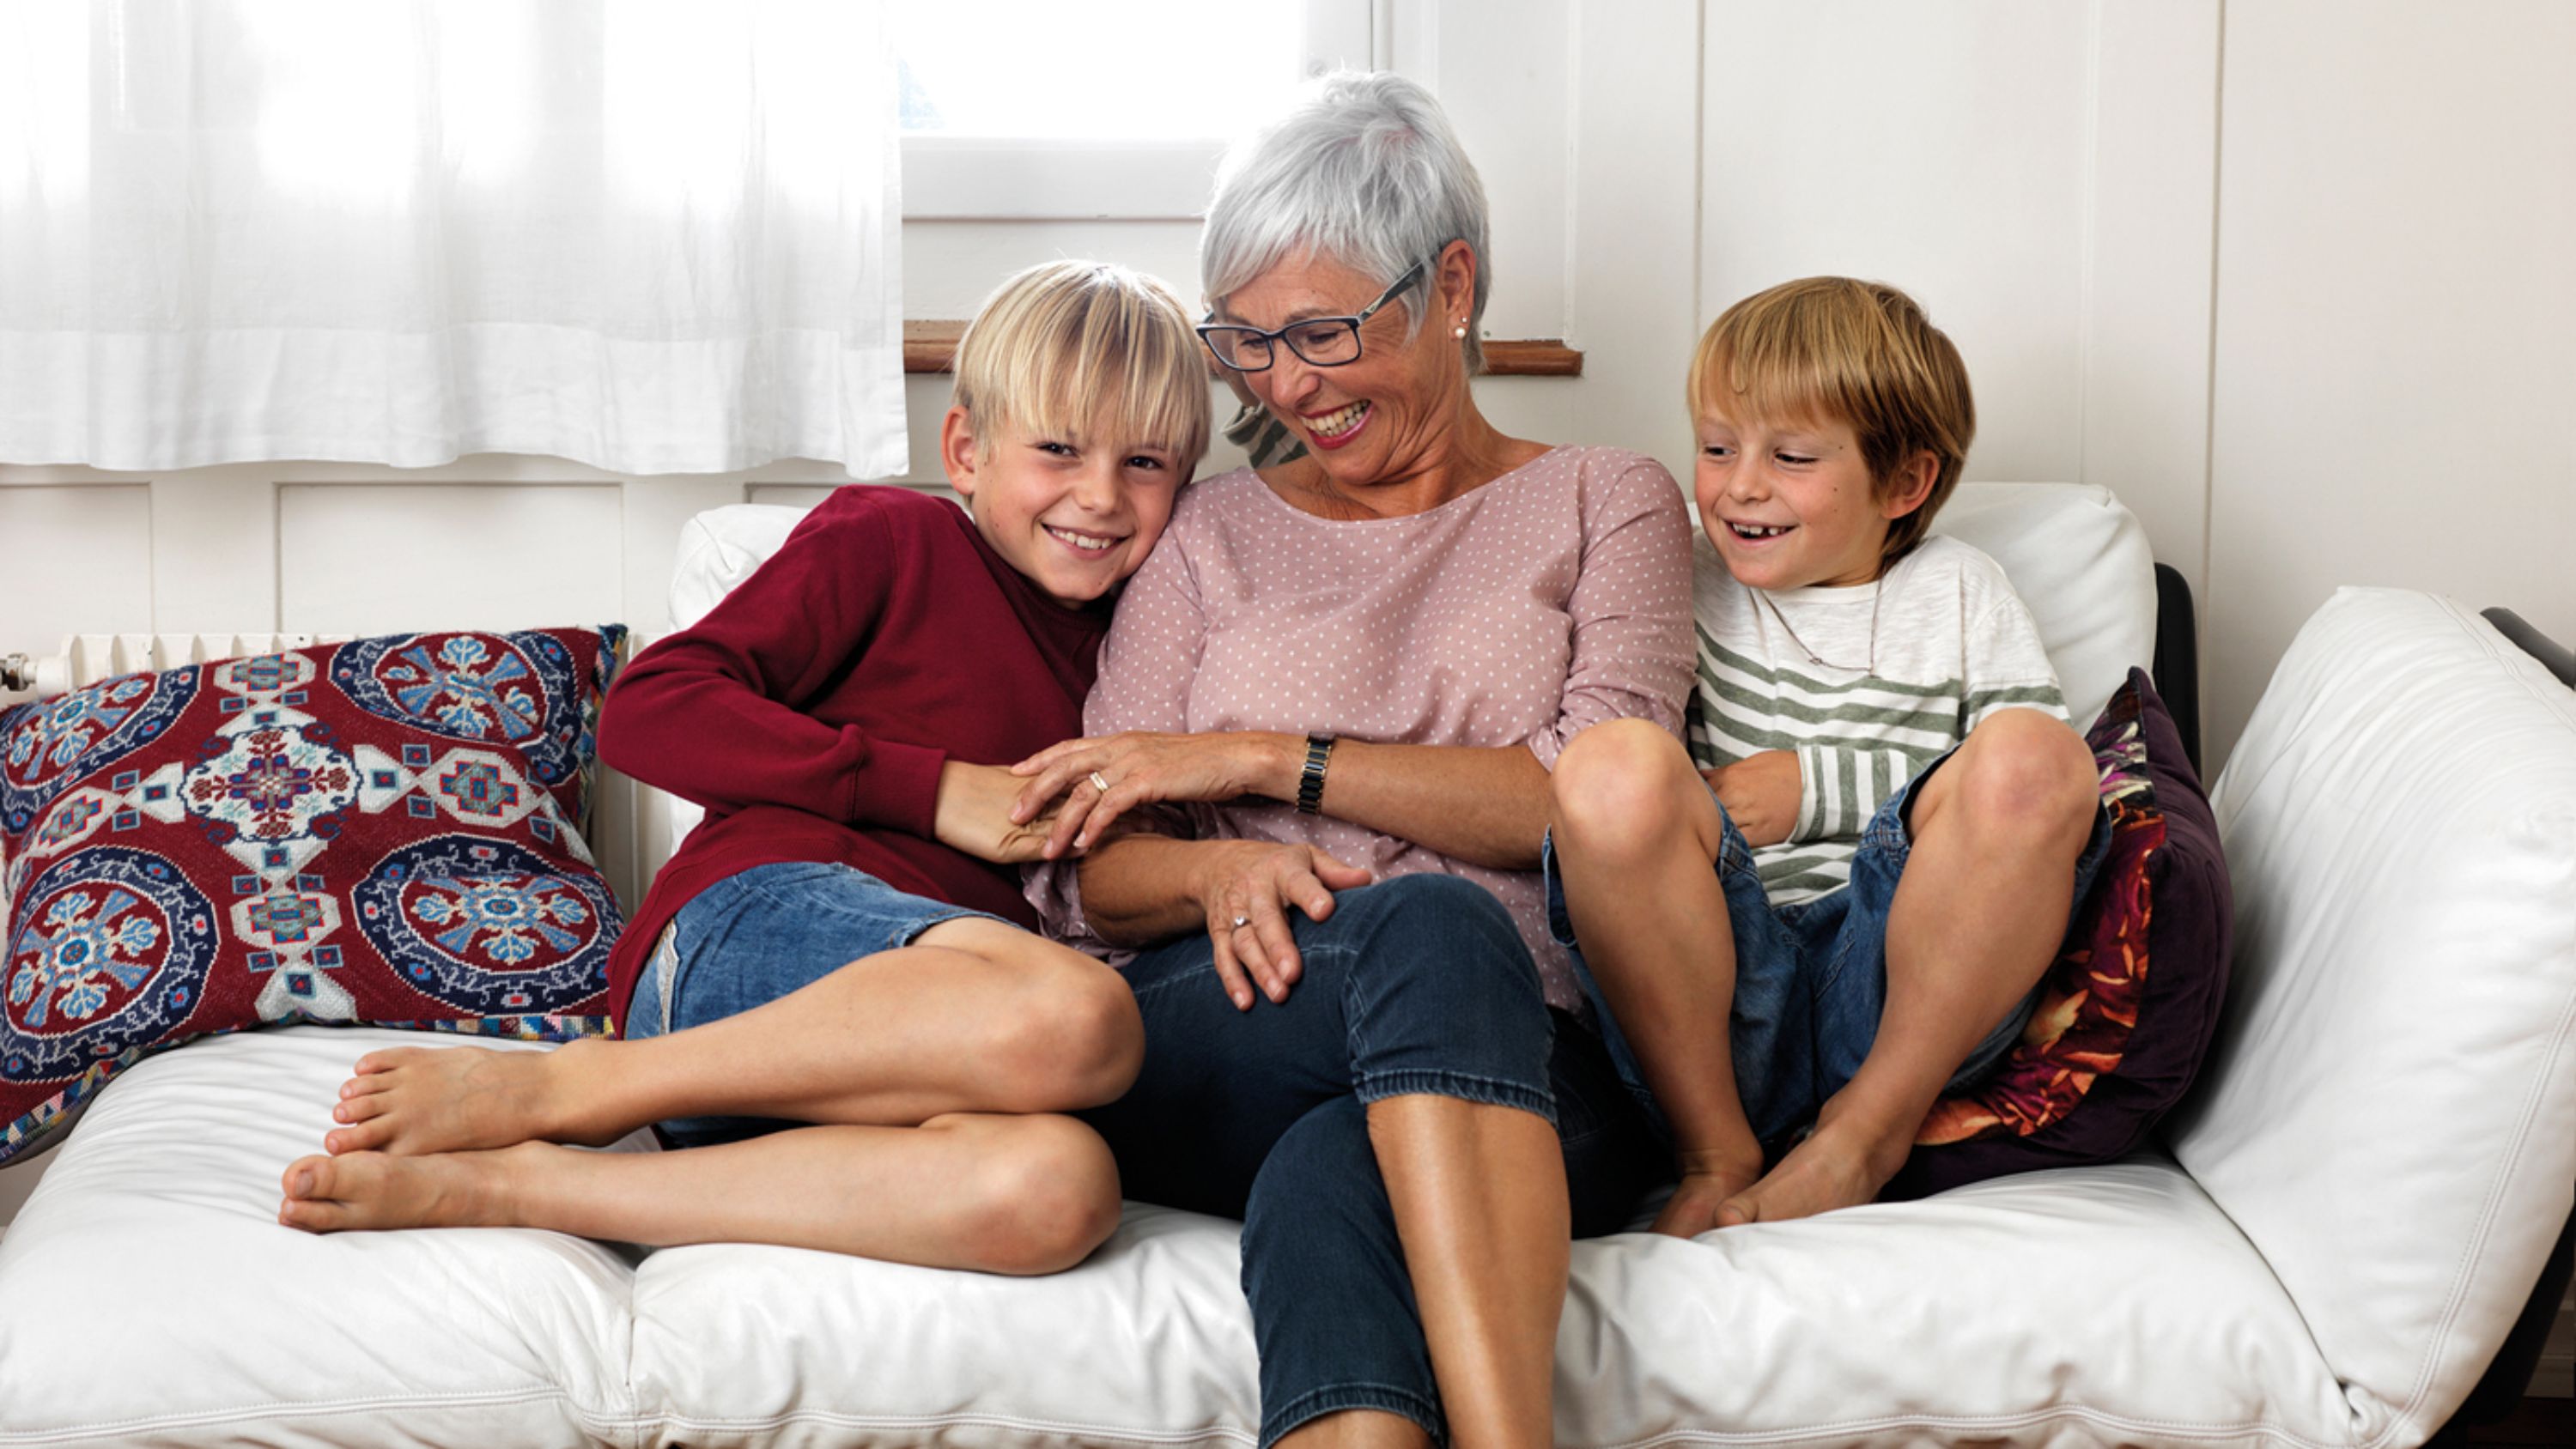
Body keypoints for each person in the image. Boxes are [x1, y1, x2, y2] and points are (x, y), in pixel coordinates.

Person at [273, 260, 1212, 1276]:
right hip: (744, 942)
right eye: (1060, 449)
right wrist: (935, 791)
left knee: (1059, 1188)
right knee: (1074, 1015)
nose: (1103, 495)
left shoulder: (1151, 654)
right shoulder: (894, 539)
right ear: (968, 450)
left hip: (887, 1076)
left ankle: (514, 1183)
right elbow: (649, 711)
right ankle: (571, 1086)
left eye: (1148, 463)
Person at [1008, 72, 1694, 1449]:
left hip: (1535, 1066)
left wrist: (1263, 756)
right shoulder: (1203, 534)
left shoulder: (1606, 500)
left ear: (1450, 285)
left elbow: (1589, 804)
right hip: (1241, 1020)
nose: (1287, 387)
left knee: (1333, 1174)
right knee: (1418, 932)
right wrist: (1212, 882)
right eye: (1248, 344)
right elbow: (1085, 863)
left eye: (1323, 332)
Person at [1545, 276, 2109, 1240]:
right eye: (1717, 447)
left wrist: (1817, 788)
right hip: (1717, 990)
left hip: (1901, 981)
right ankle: (1714, 1148)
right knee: (1606, 765)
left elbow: (2036, 799)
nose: (1741, 484)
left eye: (1792, 455)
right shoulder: (1673, 569)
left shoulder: (1964, 593)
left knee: (2036, 754)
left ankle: (1862, 1137)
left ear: (1905, 484)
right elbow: (1633, 808)